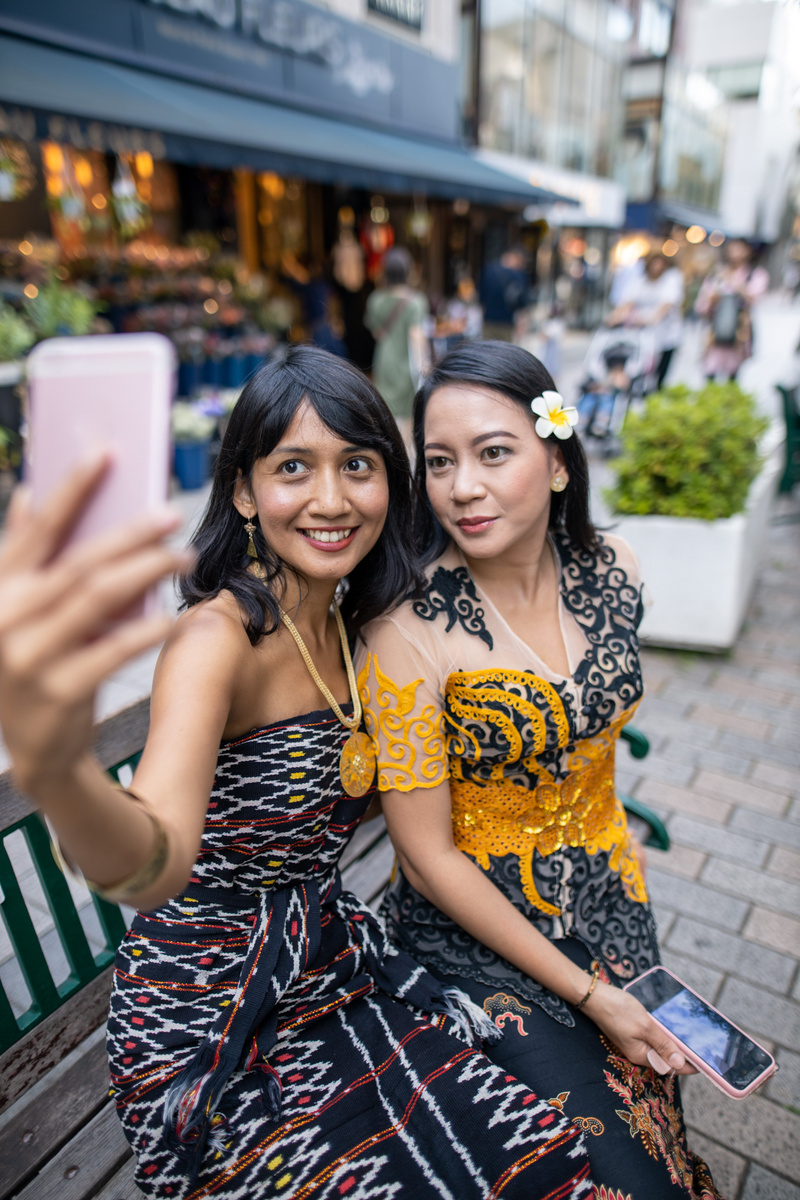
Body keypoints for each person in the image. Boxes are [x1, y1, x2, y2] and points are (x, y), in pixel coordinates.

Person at [0, 345, 593, 1200]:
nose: (330, 499)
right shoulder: (216, 642)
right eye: (293, 469)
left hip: (331, 963)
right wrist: (60, 774)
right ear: (243, 490)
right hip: (206, 1020)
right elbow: (154, 863)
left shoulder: (357, 625)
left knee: (536, 1154)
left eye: (357, 465)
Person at [357, 341, 722, 1199]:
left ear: (557, 461)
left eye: (494, 452)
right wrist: (591, 994)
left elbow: (586, 742)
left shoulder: (617, 571)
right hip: (472, 933)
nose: (462, 487)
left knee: (654, 1095)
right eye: (439, 462)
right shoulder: (402, 637)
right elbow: (424, 857)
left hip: (610, 894)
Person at [364, 247, 429, 442]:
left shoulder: (375, 299)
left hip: (384, 360)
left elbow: (377, 333)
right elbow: (416, 335)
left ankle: (390, 452)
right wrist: (424, 363)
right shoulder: (416, 301)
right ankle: (406, 456)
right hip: (406, 362)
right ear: (408, 272)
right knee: (409, 413)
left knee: (386, 412)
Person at [608, 252, 684, 391]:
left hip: (665, 334)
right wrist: (615, 317)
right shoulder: (640, 281)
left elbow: (666, 304)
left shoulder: (671, 280)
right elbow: (627, 301)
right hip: (641, 334)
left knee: (660, 370)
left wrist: (651, 319)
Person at [695, 239, 768, 382]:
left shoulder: (754, 274)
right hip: (715, 330)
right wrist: (712, 300)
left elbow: (755, 297)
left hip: (739, 330)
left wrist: (733, 281)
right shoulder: (716, 275)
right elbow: (701, 305)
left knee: (733, 374)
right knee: (709, 372)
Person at [479, 247, 530, 342]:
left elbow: (481, 297)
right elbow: (522, 302)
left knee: (487, 350)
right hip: (507, 322)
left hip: (489, 320)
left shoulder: (489, 271)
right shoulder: (519, 275)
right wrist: (521, 324)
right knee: (503, 353)